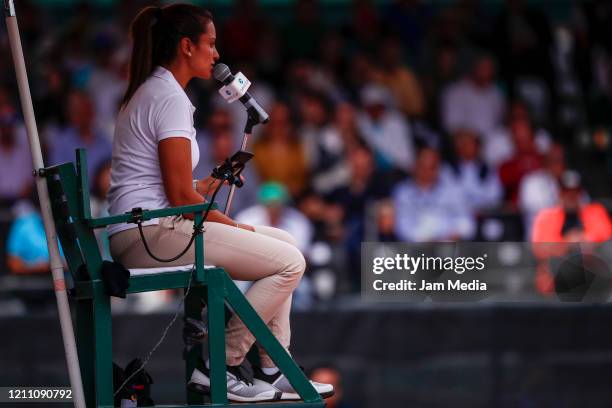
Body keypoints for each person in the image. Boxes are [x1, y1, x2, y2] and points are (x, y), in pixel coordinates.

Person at [106, 4, 332, 402]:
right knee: (290, 262)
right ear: (186, 46)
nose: (216, 54)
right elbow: (178, 198)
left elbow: (167, 186)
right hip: (151, 233)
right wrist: (230, 223)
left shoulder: (153, 90)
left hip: (146, 228)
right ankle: (219, 363)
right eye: (210, 44)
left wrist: (204, 184)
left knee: (286, 243)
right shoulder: (167, 97)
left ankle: (271, 366)